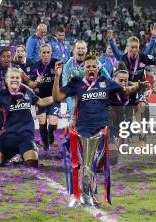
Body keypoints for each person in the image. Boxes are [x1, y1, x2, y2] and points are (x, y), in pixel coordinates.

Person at [53, 57, 148, 207]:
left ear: (98, 69)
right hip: (83, 129)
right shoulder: (76, 83)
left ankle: (87, 191)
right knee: (85, 164)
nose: (91, 69)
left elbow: (124, 91)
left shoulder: (105, 81)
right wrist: (57, 76)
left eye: (94, 66)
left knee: (104, 159)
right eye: (88, 66)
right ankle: (88, 194)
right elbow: (57, 97)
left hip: (102, 129)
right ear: (83, 69)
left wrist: (137, 87)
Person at [107, 29, 156, 146]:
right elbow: (116, 52)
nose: (133, 50)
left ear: (138, 47)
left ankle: (142, 135)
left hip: (140, 87)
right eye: (131, 47)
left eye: (136, 47)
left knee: (141, 106)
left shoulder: (143, 57)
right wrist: (111, 40)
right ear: (127, 47)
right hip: (127, 88)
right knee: (126, 111)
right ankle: (126, 136)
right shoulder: (122, 58)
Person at [26, 44, 59, 151]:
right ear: (40, 53)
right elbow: (30, 84)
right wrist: (36, 82)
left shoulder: (57, 64)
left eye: (48, 52)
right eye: (43, 52)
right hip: (40, 99)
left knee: (53, 124)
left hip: (53, 98)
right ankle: (46, 145)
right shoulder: (35, 66)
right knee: (42, 123)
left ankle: (51, 134)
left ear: (51, 53)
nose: (45, 55)